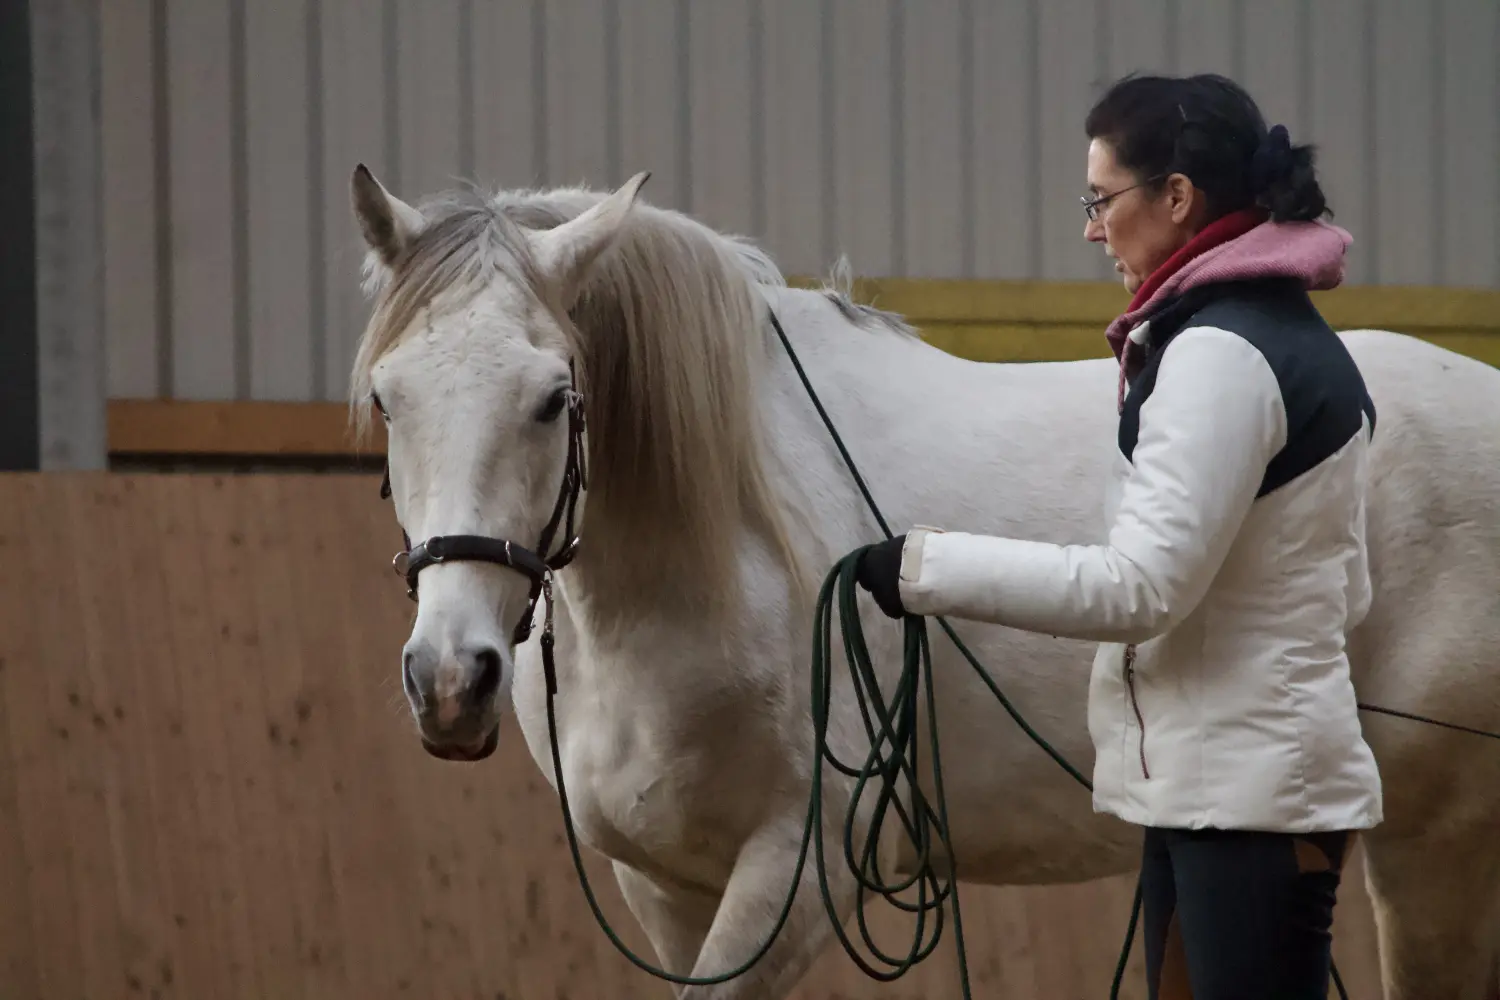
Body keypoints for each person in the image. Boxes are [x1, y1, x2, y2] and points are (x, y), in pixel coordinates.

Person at [855, 72, 1383, 999]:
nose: (1091, 229)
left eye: (1101, 200)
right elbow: (1350, 590)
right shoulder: (1263, 333)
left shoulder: (1221, 356)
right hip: (1223, 791)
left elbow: (1141, 588)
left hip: (1246, 804)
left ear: (1177, 199)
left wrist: (927, 567)